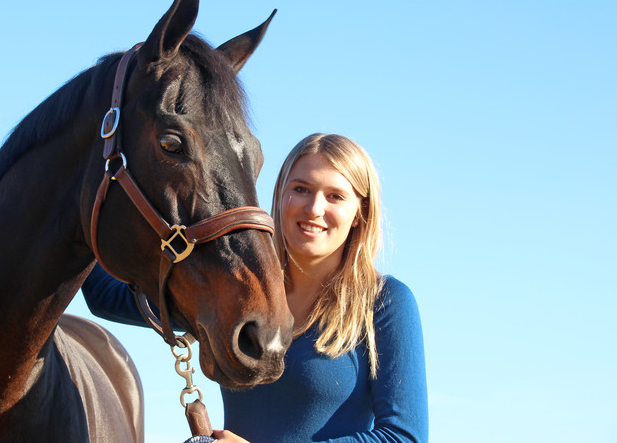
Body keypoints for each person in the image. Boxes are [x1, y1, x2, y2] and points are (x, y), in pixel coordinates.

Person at [82, 133, 428, 443]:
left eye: (335, 196)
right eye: (301, 189)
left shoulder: (385, 303)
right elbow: (105, 296)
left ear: (359, 213)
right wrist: (89, 190)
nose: (314, 208)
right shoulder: (235, 289)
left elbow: (404, 437)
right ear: (280, 196)